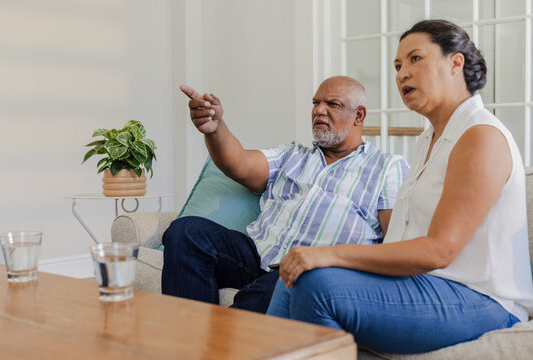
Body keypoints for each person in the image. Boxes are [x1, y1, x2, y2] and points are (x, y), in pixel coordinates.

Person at [266, 19, 533, 354]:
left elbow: (439, 250)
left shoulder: (480, 136)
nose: (402, 73)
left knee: (318, 284)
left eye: (415, 59)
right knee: (293, 272)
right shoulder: (428, 141)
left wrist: (329, 254)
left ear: (455, 62)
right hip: (425, 287)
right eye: (397, 65)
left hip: (483, 301)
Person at [161, 76, 409, 313]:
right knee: (186, 231)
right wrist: (214, 128)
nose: (319, 110)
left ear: (359, 115)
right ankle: (189, 335)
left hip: (313, 272)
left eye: (332, 104)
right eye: (315, 103)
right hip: (255, 256)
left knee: (278, 288)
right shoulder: (292, 155)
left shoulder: (387, 167)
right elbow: (238, 163)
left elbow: (395, 243)